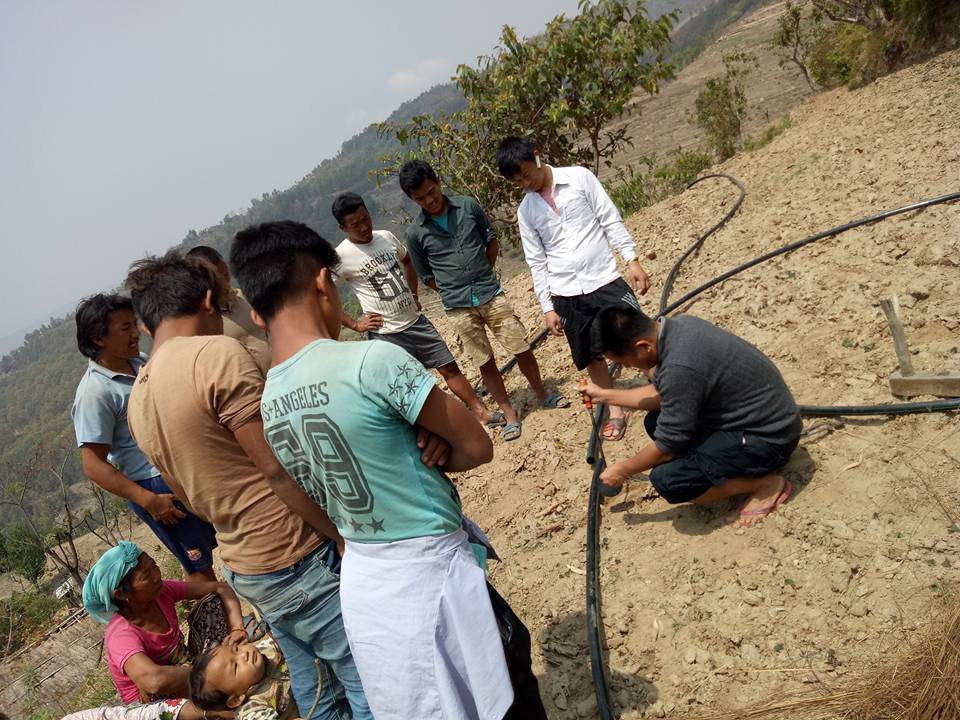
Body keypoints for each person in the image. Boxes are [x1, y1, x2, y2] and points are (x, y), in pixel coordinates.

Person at [230, 220, 547, 720]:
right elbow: (476, 446)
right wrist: (438, 444)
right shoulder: (372, 362)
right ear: (321, 282)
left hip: (367, 581)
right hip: (431, 573)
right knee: (501, 687)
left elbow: (297, 484)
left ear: (255, 310)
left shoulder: (269, 401)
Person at [124, 251, 371, 720]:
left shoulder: (138, 398)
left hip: (245, 563)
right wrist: (339, 535)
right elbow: (278, 467)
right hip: (296, 548)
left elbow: (185, 491)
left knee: (316, 686)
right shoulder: (214, 355)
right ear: (207, 300)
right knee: (364, 679)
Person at [582, 305, 803, 527]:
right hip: (754, 418)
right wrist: (606, 396)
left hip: (770, 440)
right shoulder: (678, 327)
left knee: (669, 481)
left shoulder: (680, 367)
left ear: (643, 347)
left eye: (624, 362)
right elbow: (663, 394)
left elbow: (668, 446)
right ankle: (710, 465)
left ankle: (765, 485)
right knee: (654, 422)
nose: (627, 367)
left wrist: (623, 469)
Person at [400, 159, 569, 442]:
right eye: (420, 198)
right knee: (485, 361)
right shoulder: (416, 233)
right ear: (412, 199)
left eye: (431, 191)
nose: (429, 200)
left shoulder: (467, 207)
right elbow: (426, 275)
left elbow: (490, 241)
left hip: (490, 293)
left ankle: (543, 393)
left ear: (438, 181)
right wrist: (452, 289)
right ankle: (510, 416)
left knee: (520, 346)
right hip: (458, 307)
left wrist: (483, 274)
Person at [496, 135, 653, 442]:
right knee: (592, 353)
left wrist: (632, 260)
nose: (525, 183)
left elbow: (609, 219)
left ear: (538, 156)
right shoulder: (526, 211)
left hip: (604, 279)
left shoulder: (579, 178)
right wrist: (547, 307)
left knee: (637, 337)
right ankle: (616, 411)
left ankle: (663, 388)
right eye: (518, 181)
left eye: (527, 174)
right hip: (567, 293)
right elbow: (536, 261)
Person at [71, 293, 217, 582]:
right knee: (200, 569)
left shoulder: (140, 362)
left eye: (133, 324)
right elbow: (93, 465)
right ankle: (225, 626)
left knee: (230, 536)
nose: (135, 333)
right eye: (124, 328)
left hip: (185, 465)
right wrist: (149, 500)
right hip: (156, 485)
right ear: (99, 338)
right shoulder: (95, 393)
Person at [331, 191, 497, 426]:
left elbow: (407, 260)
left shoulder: (385, 237)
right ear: (343, 228)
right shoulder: (341, 257)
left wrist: (414, 293)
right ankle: (433, 431)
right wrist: (355, 324)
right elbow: (323, 296)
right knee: (408, 386)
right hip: (386, 333)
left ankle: (480, 412)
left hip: (415, 320)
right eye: (355, 224)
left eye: (365, 218)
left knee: (449, 367)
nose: (364, 227)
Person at [79, 542, 243, 720]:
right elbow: (154, 682)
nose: (157, 576)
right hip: (155, 703)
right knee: (159, 685)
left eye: (154, 566)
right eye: (147, 575)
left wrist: (237, 629)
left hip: (185, 668)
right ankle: (210, 696)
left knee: (212, 602)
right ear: (120, 594)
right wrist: (209, 669)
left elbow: (220, 588)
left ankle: (215, 680)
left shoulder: (161, 592)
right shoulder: (121, 634)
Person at [185, 245, 272, 374]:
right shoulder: (204, 323)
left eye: (226, 275)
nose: (225, 283)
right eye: (219, 279)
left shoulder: (245, 297)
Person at [189, 635, 295, 720]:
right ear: (235, 699)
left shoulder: (264, 650)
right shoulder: (253, 709)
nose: (244, 655)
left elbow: (283, 637)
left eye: (236, 649)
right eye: (235, 666)